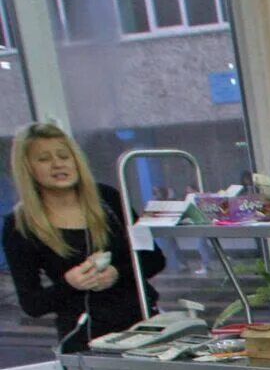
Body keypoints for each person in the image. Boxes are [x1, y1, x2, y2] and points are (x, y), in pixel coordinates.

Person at [4, 121, 165, 353]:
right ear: (27, 168)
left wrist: (116, 274)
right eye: (44, 159)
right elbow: (32, 304)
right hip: (84, 341)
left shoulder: (108, 199)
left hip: (144, 329)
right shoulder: (19, 225)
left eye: (63, 156)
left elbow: (154, 259)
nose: (58, 164)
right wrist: (70, 284)